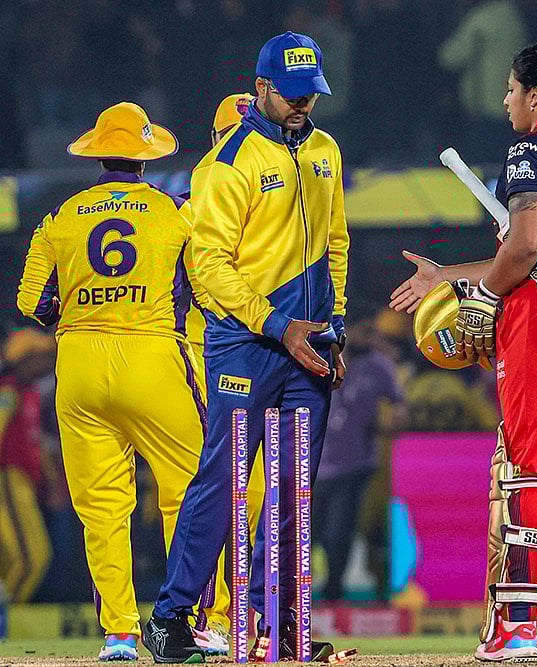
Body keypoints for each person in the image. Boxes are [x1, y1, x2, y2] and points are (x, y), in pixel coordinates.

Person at [391, 42, 537, 663]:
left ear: (535, 95)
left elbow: (522, 254)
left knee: (532, 468)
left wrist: (477, 299)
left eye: (509, 90)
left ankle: (517, 624)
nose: (504, 102)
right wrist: (451, 274)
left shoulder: (529, 149)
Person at [144, 32, 349, 663]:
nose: (301, 106)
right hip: (243, 342)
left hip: (307, 346)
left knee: (293, 490)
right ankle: (172, 618)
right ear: (260, 88)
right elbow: (207, 264)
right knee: (224, 482)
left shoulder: (324, 149)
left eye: (309, 95)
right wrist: (273, 322)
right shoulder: (230, 162)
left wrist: (333, 321)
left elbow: (335, 242)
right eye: (290, 95)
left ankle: (277, 627)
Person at [15, 101, 227, 662]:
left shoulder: (61, 217)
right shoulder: (174, 214)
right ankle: (198, 622)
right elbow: (207, 290)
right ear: (145, 156)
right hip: (152, 357)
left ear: (98, 154)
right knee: (190, 493)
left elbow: (30, 299)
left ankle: (119, 635)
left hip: (79, 367)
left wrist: (81, 311)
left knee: (102, 508)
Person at [181, 92, 266, 658]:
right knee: (227, 486)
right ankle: (213, 614)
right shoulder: (199, 199)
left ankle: (240, 615)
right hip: (215, 351)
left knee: (249, 488)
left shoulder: (212, 194)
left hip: (250, 349)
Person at [314, 320, 404, 601]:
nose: (371, 338)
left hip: (355, 464)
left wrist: (387, 424)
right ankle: (293, 596)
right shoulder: (318, 356)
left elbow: (399, 404)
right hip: (313, 463)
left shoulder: (378, 365)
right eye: (365, 331)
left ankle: (333, 591)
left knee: (339, 533)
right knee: (305, 534)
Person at [0, 329, 55, 603]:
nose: (46, 363)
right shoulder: (10, 388)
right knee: (26, 558)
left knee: (34, 557)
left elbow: (37, 443)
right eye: (40, 357)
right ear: (24, 360)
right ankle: (6, 618)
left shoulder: (32, 391)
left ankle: (8, 616)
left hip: (24, 481)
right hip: (9, 476)